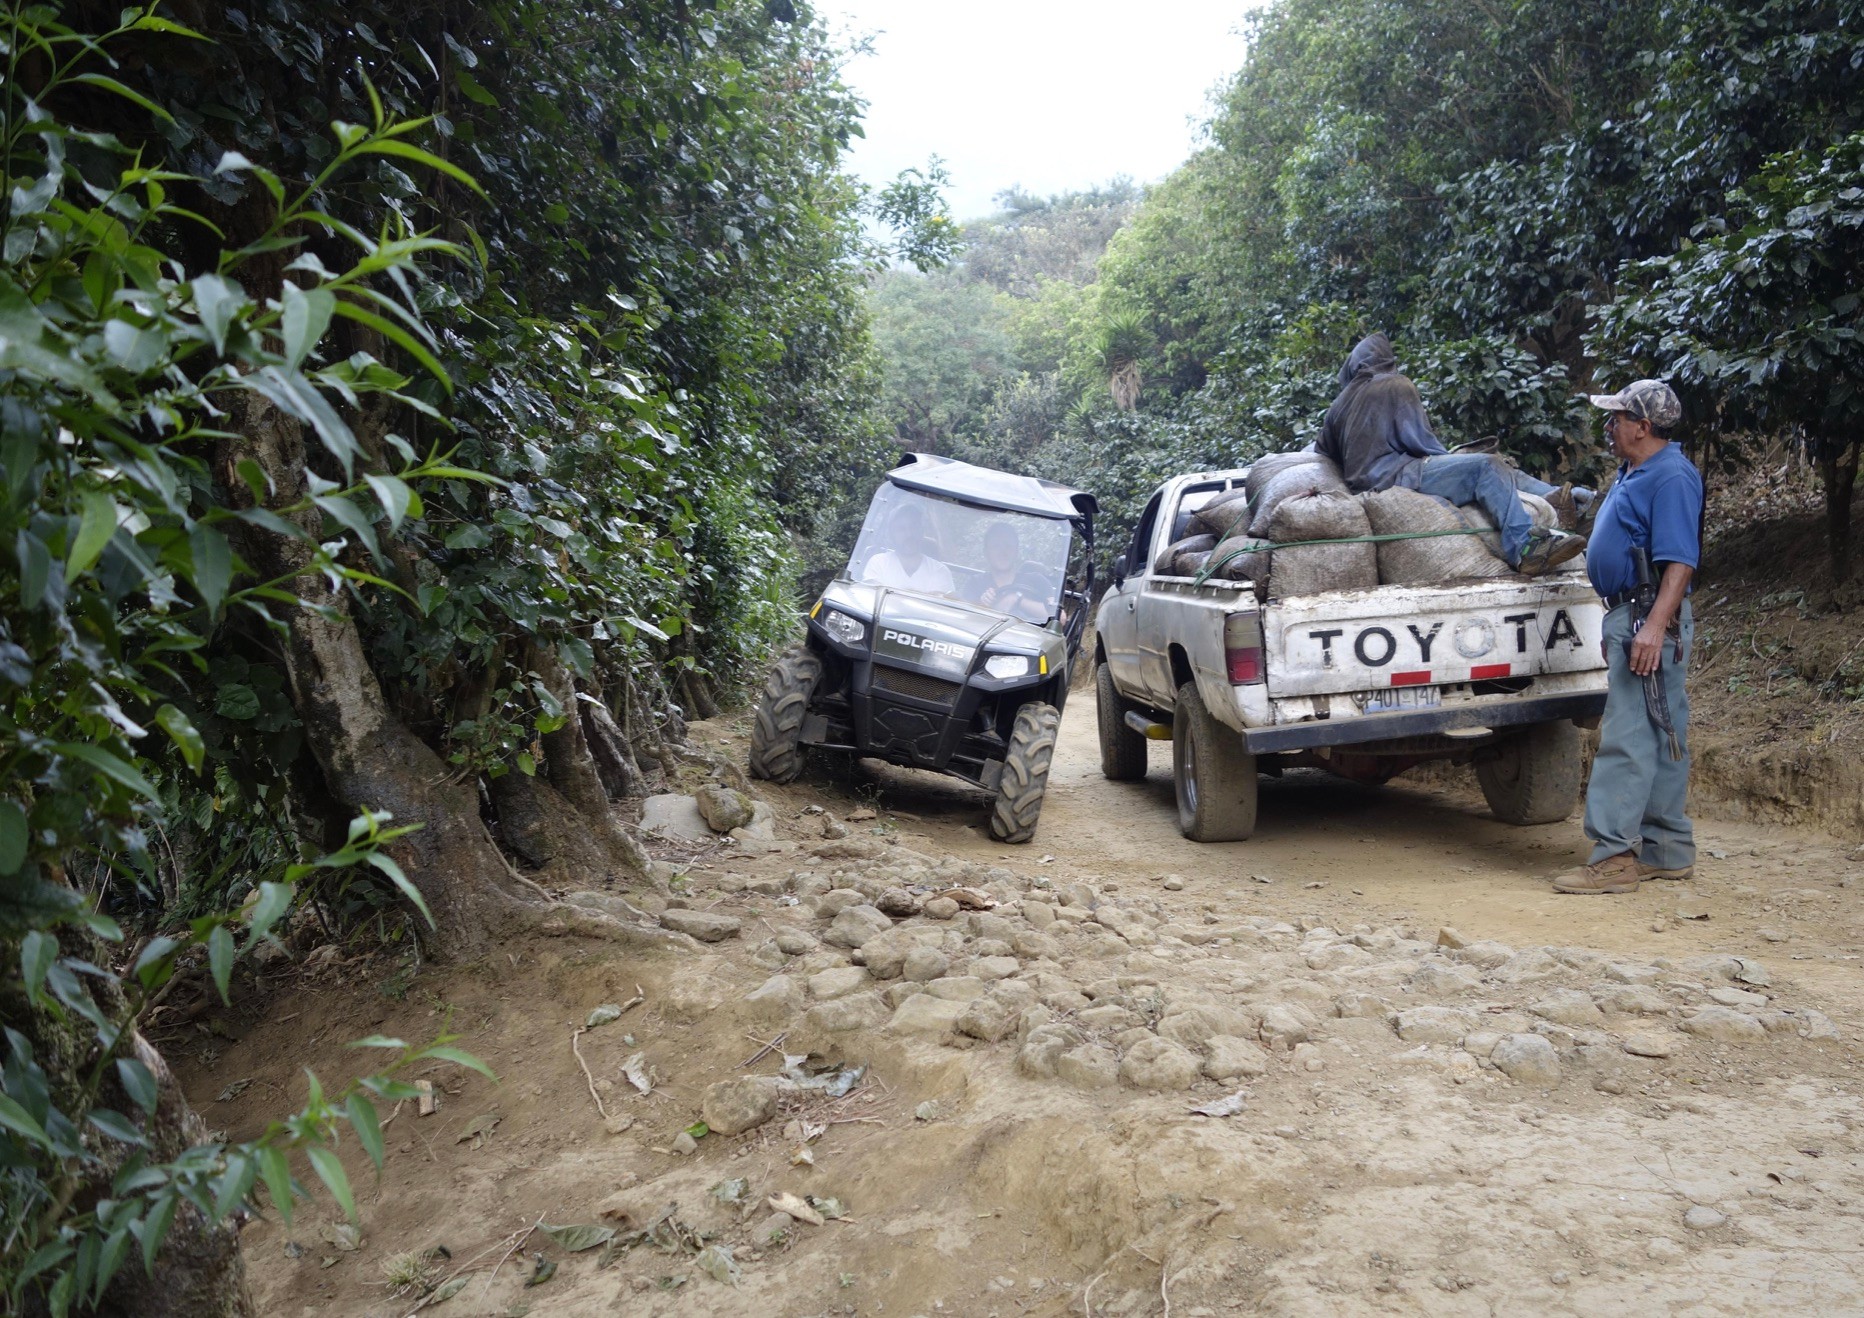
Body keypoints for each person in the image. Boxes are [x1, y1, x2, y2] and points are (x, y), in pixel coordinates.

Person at [1552, 379, 1702, 895]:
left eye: (1617, 418)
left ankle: (1614, 857)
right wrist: (1618, 623)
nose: (1609, 425)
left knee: (1628, 736)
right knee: (1658, 732)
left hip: (1647, 617)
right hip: (1631, 616)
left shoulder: (1672, 477)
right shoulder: (1635, 469)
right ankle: (1667, 851)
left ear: (1644, 426)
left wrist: (1653, 626)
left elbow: (1680, 560)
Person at [1316, 333, 1592, 574]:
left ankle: (1569, 497)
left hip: (1370, 482)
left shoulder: (1337, 407)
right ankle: (1526, 547)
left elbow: (1322, 453)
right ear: (1386, 360)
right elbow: (1421, 441)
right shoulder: (1395, 384)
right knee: (1487, 466)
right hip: (1398, 476)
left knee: (1498, 469)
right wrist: (1450, 457)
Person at [860, 503, 956, 596]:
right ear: (892, 534)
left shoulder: (940, 570)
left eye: (914, 527)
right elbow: (869, 598)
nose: (909, 534)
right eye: (901, 529)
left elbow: (940, 608)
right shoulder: (878, 562)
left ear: (921, 531)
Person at [964, 521, 1051, 622]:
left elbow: (1059, 618)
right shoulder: (975, 583)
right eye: (996, 546)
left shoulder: (1037, 580)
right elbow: (965, 619)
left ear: (1016, 550)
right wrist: (983, 604)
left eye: (1008, 546)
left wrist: (1018, 600)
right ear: (986, 552)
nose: (1003, 552)